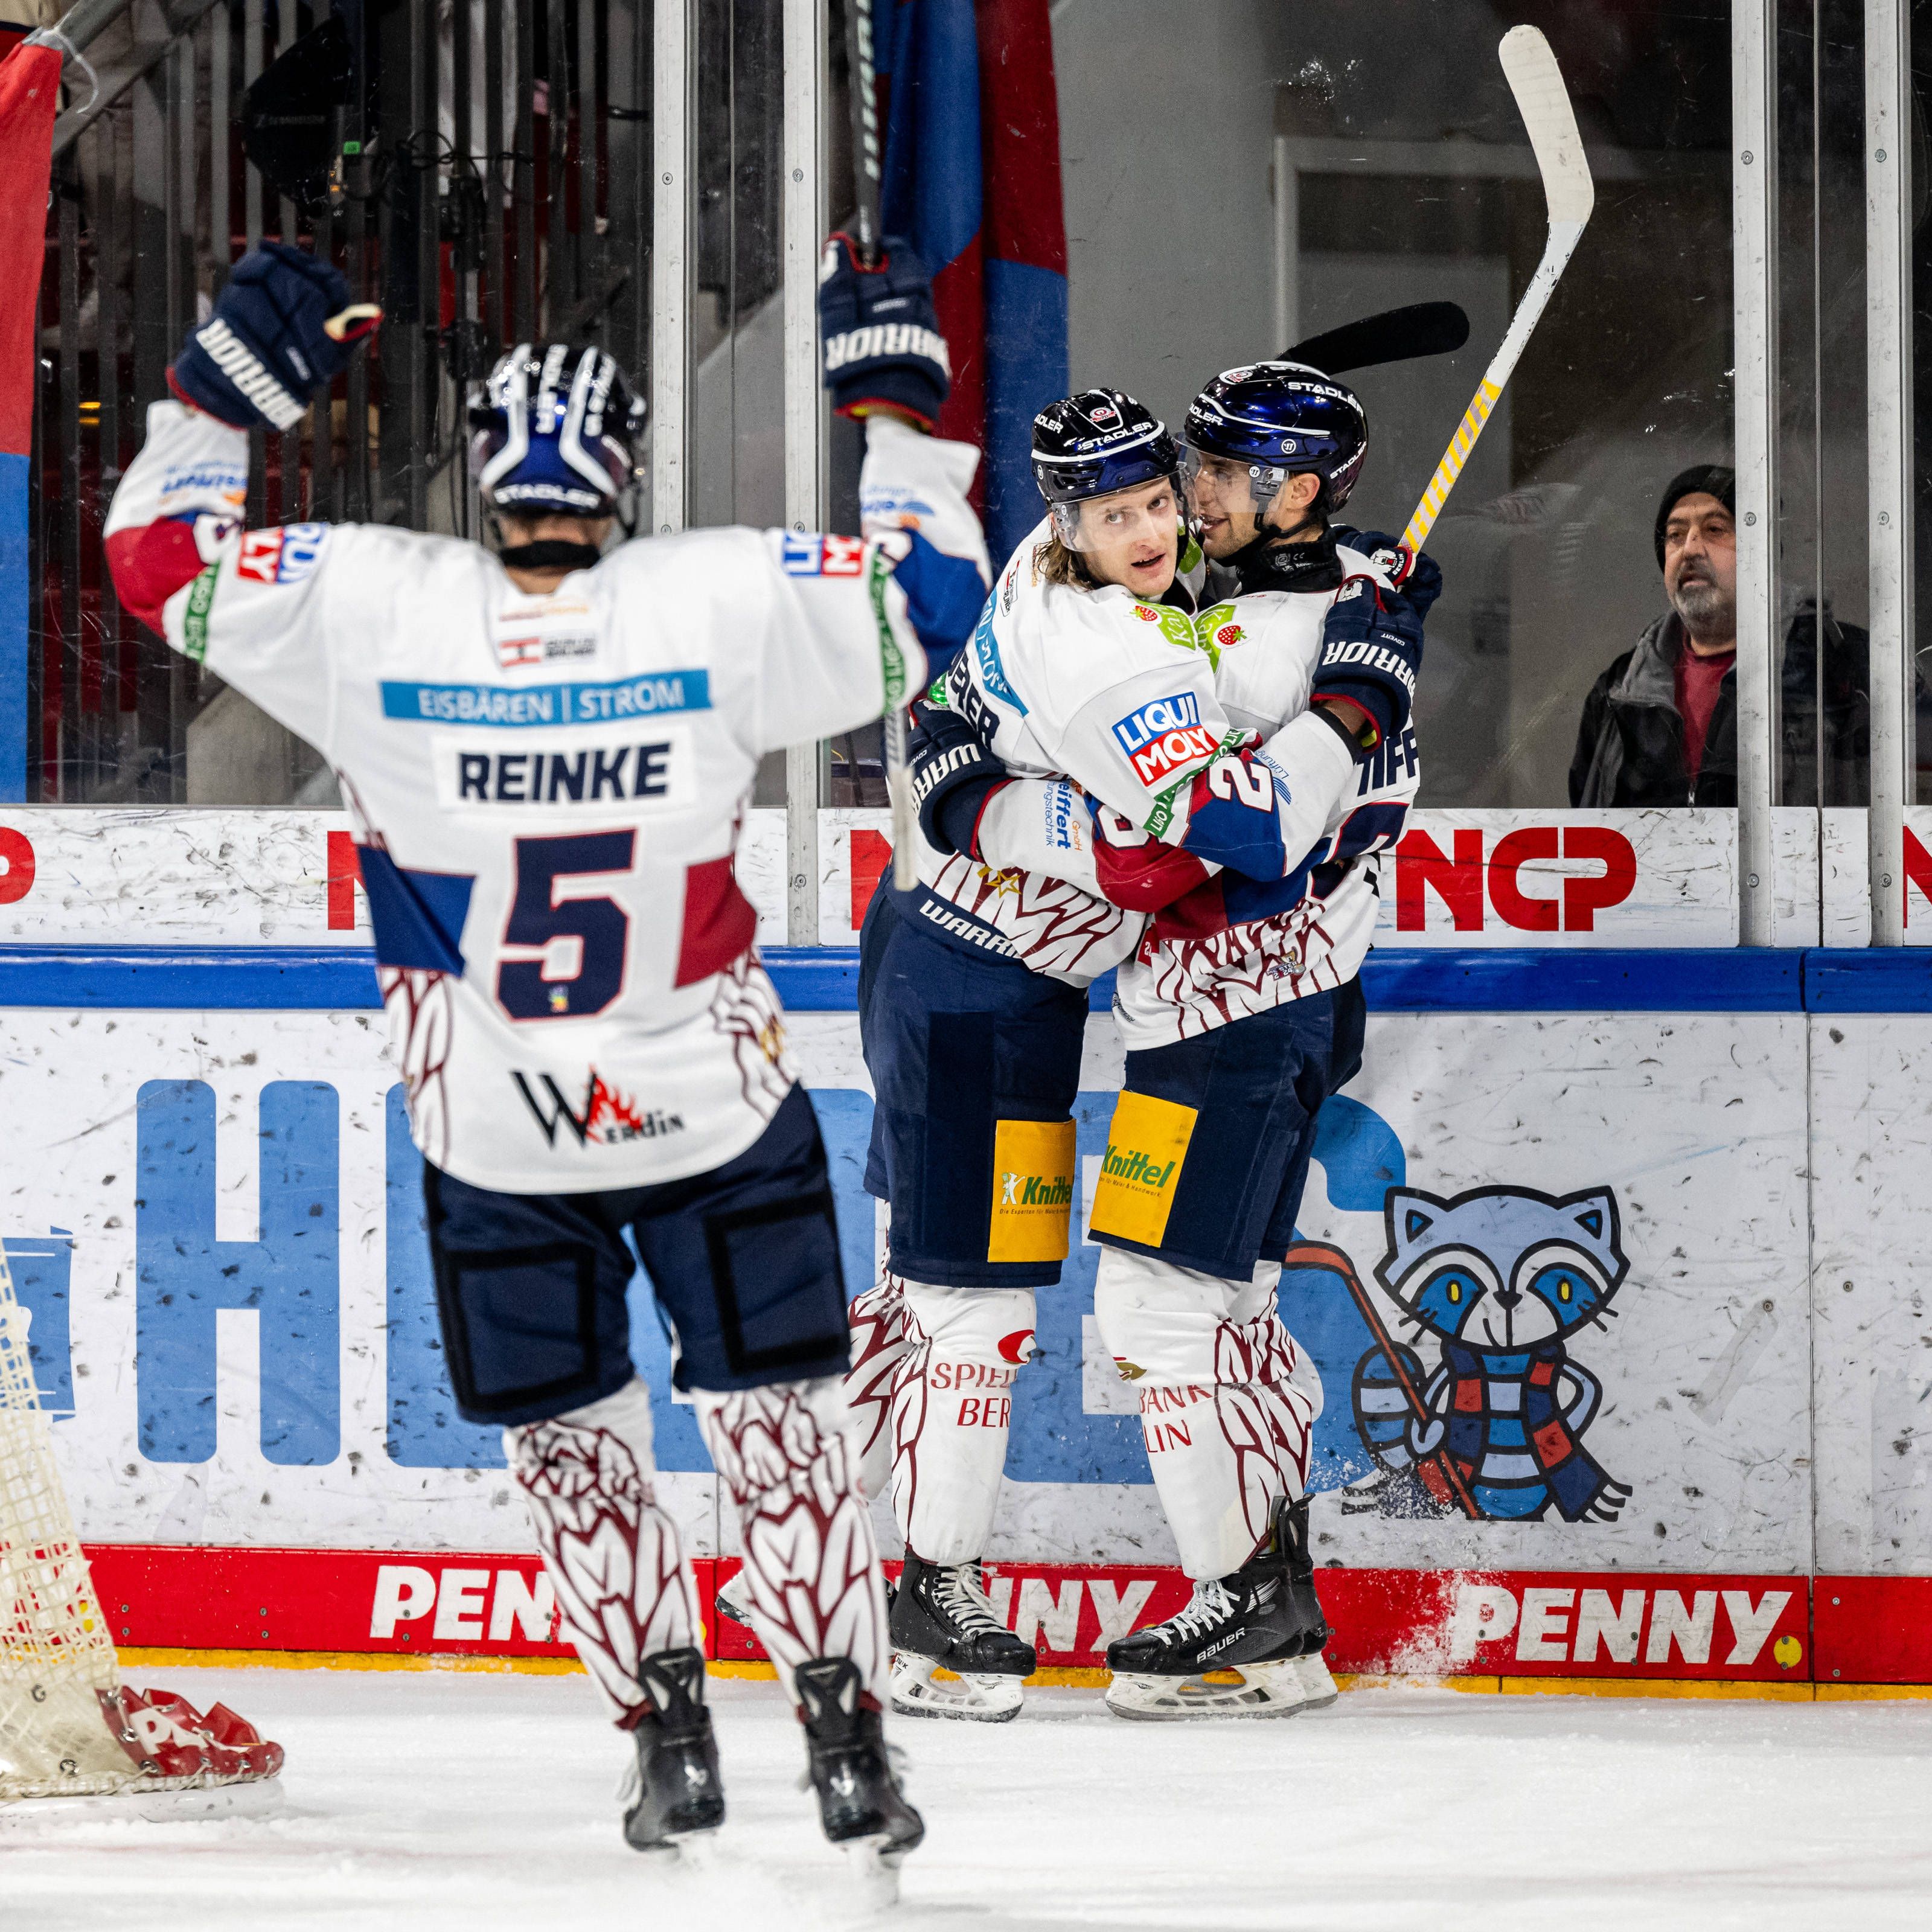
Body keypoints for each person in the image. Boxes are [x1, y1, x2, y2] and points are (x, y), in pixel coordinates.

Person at [102, 240, 984, 1879]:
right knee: (776, 1429)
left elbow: (157, 560)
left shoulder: (378, 606)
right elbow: (938, 605)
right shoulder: (713, 597)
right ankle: (846, 1732)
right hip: (710, 1109)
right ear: (625, 472)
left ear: (489, 479)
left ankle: (665, 1735)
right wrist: (896, 408)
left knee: (572, 1442)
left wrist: (219, 394)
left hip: (497, 1131)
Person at [855, 353, 1430, 1721]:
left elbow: (1242, 834)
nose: (1164, 523)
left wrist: (1362, 659)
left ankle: (1255, 1607)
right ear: (1061, 524)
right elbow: (1203, 837)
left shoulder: (1210, 602)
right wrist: (999, 810)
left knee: (1147, 1308)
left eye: (1180, 489)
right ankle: (921, 1595)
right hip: (981, 980)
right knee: (974, 1301)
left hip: (1165, 1006)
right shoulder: (1134, 636)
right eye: (1118, 511)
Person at [1570, 465, 1738, 805]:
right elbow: (1587, 833)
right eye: (1675, 535)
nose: (1690, 549)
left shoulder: (1829, 671)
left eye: (1715, 529)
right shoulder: (1619, 689)